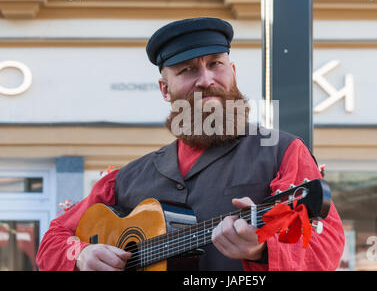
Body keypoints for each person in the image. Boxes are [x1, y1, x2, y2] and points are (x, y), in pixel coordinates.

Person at [36, 17, 345, 271]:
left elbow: (324, 248)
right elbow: (52, 240)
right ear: (164, 88)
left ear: (233, 72)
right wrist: (81, 255)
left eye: (215, 64)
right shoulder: (125, 178)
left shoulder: (281, 151)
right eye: (187, 70)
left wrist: (262, 250)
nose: (206, 79)